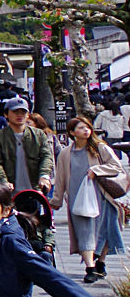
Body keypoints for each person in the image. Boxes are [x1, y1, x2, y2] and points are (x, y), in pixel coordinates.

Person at [49, 116, 126, 284]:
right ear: (72, 132)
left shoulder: (99, 148)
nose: (86, 131)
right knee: (84, 232)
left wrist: (97, 170)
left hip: (102, 196)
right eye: (81, 128)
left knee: (104, 231)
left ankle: (101, 262)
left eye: (87, 127)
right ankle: (90, 268)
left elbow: (116, 166)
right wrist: (57, 200)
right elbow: (60, 178)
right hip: (77, 198)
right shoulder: (65, 153)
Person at [0, 97, 54, 196]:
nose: (20, 115)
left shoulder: (38, 134)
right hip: (9, 191)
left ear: (28, 115)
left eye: (23, 112)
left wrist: (44, 176)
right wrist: (3, 181)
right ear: (6, 114)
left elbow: (46, 156)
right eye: (15, 112)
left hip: (35, 189)